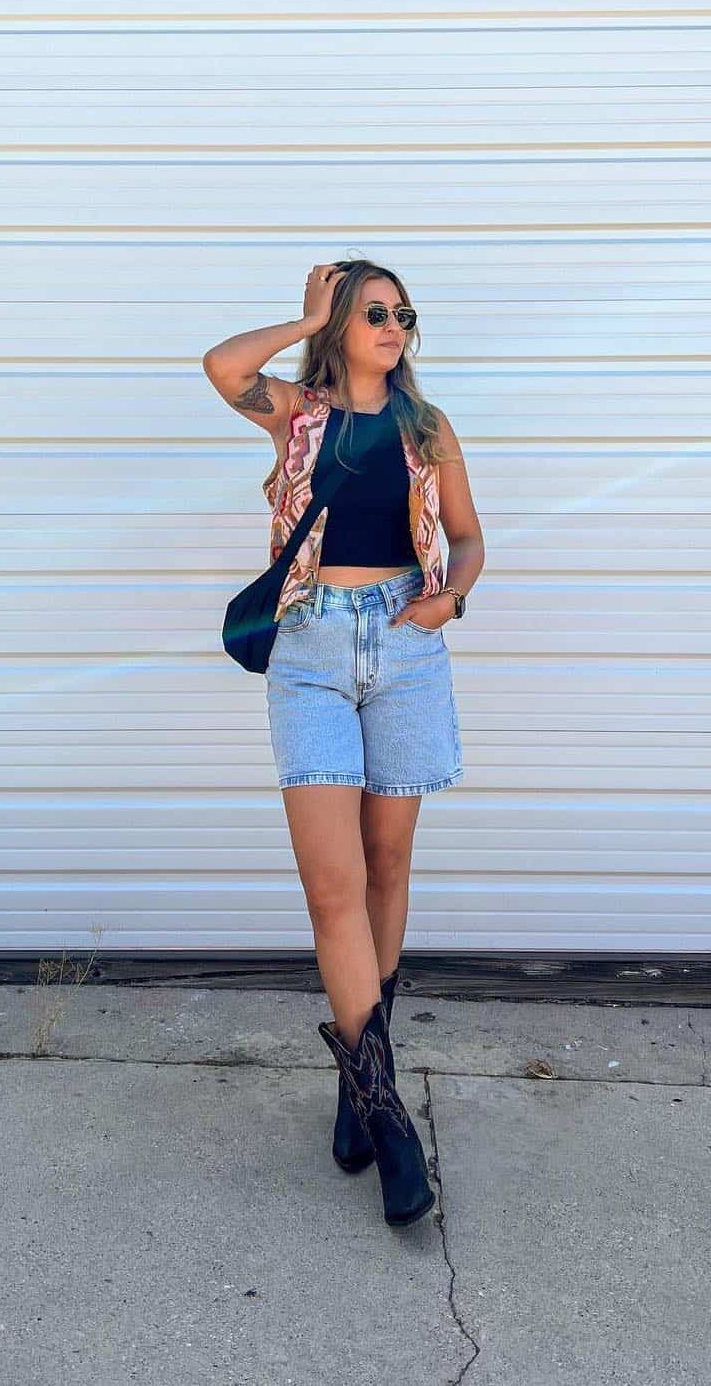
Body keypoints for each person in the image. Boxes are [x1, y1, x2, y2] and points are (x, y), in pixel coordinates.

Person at [201, 260, 485, 1226]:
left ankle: (358, 1079)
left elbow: (469, 536)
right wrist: (304, 316)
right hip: (314, 648)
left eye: (404, 312)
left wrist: (452, 595)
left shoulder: (428, 428)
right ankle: (391, 1117)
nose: (395, 324)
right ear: (340, 321)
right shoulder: (296, 413)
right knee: (332, 884)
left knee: (386, 861)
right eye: (376, 310)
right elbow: (220, 363)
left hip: (406, 643)